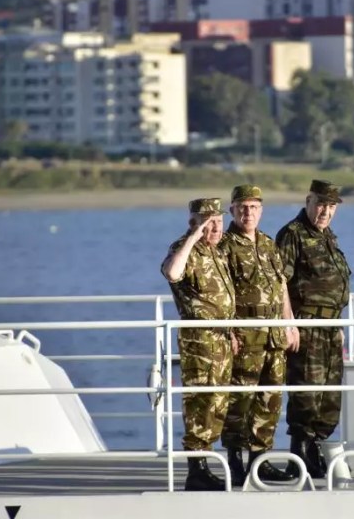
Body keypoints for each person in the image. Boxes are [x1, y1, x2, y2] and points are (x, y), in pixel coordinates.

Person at [218, 184, 300, 486]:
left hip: (273, 336)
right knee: (240, 400)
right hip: (245, 335)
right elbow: (222, 294)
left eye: (253, 207)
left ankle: (259, 460)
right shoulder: (225, 245)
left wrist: (290, 324)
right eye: (242, 207)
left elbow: (281, 287)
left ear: (261, 211)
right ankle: (234, 460)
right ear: (232, 210)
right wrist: (228, 331)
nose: (248, 213)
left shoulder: (267, 243)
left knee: (270, 399)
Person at [160, 197, 239, 491]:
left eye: (219, 222)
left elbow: (221, 299)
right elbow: (172, 273)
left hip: (222, 339)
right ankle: (196, 470)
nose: (216, 228)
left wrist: (231, 331)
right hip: (200, 342)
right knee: (201, 402)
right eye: (209, 223)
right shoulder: (186, 249)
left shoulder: (215, 252)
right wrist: (194, 235)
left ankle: (205, 465)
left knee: (217, 402)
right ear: (193, 223)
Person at [275, 179, 351, 478]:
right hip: (307, 325)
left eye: (331, 206)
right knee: (307, 392)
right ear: (308, 201)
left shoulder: (327, 236)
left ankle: (315, 450)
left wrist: (337, 323)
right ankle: (299, 456)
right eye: (321, 204)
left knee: (329, 397)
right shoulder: (293, 234)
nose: (325, 211)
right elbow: (280, 282)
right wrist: (289, 323)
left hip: (330, 326)